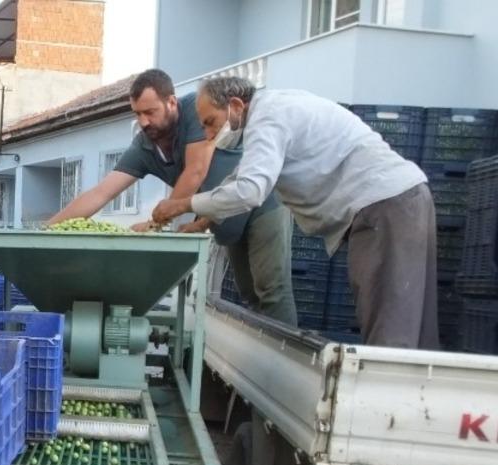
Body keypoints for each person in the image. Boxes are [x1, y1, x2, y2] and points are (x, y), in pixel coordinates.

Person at [153, 76, 436, 348]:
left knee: (390, 330)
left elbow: (250, 190)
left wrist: (183, 203)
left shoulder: (267, 117)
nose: (209, 135)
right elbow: (239, 178)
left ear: (236, 105)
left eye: (210, 123)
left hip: (384, 206)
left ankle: (383, 398)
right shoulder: (275, 109)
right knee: (414, 328)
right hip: (402, 200)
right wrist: (202, 222)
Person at [50, 69, 297, 325]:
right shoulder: (144, 146)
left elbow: (196, 171)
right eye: (137, 114)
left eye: (150, 112)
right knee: (249, 294)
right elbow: (101, 192)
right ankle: (259, 359)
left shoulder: (196, 110)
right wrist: (48, 230)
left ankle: (288, 362)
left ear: (171, 102)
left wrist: (155, 223)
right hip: (224, 214)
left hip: (262, 202)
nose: (143, 121)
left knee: (272, 290)